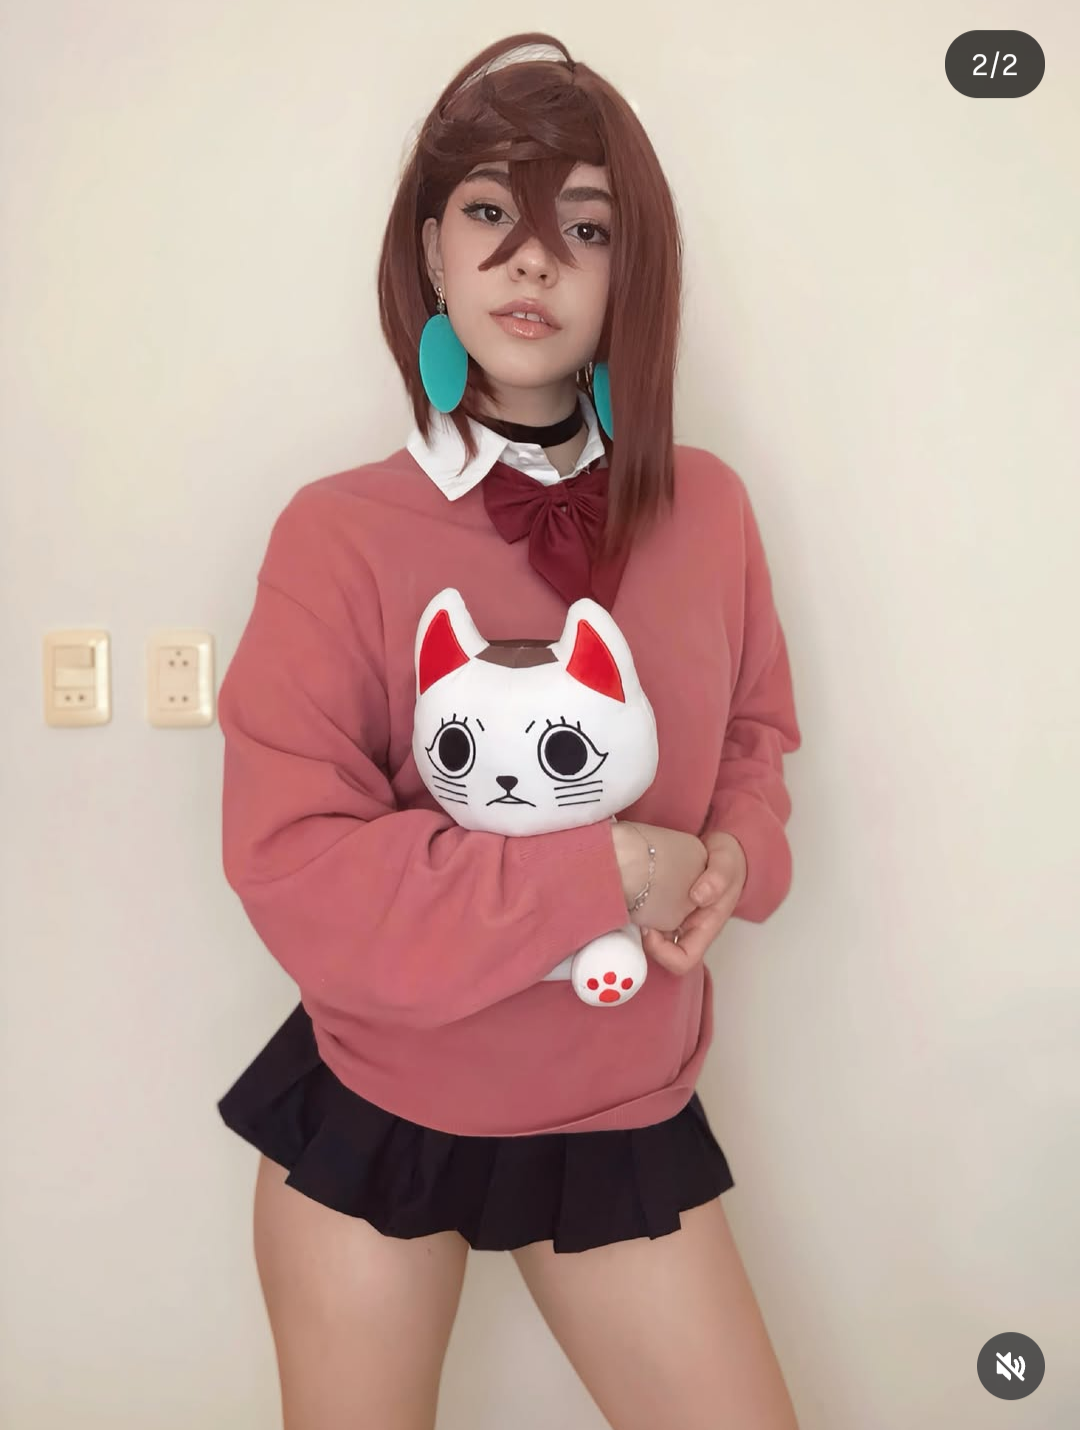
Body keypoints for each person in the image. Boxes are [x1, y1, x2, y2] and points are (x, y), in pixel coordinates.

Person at [216, 31, 803, 1430]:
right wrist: (608, 870)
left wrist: (733, 853)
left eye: (584, 228)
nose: (533, 259)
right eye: (490, 211)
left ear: (629, 272)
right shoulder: (338, 532)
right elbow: (297, 862)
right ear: (431, 250)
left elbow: (755, 733)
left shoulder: (709, 510)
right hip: (379, 1098)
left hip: (621, 1099)